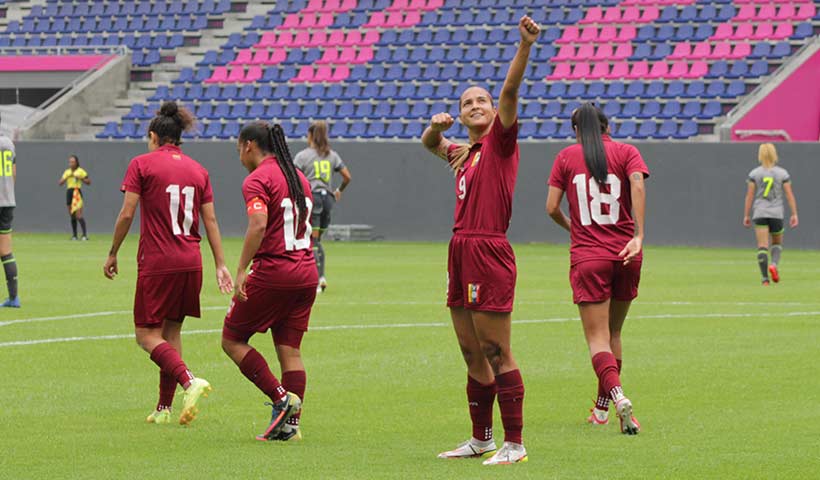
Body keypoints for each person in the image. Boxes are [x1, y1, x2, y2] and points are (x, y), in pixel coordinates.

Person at [420, 15, 540, 466]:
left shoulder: (500, 144)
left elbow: (510, 94)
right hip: (460, 250)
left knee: (496, 349)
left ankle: (515, 443)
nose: (475, 105)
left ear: (493, 111)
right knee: (471, 351)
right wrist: (436, 126)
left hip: (488, 248)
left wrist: (523, 47)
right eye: (467, 101)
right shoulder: (463, 152)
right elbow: (430, 143)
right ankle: (481, 438)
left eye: (482, 101)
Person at [103, 102, 233, 425]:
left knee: (145, 335)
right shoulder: (199, 170)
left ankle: (189, 381)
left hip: (158, 260)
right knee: (171, 332)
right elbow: (212, 220)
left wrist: (113, 251)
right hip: (192, 261)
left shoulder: (141, 164)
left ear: (153, 136)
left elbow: (127, 213)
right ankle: (164, 409)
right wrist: (220, 264)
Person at [545, 103, 648, 435]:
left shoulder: (565, 158)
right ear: (608, 126)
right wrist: (638, 235)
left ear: (576, 131)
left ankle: (617, 398)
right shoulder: (627, 151)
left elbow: (551, 208)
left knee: (597, 339)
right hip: (626, 254)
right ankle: (603, 410)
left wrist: (575, 228)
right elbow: (638, 185)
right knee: (614, 333)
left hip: (589, 256)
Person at [221, 122, 317, 442]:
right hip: (306, 272)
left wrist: (241, 268)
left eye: (238, 148)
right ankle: (290, 428)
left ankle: (281, 398)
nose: (238, 155)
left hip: (276, 271)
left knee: (232, 339)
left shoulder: (258, 178)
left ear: (249, 145)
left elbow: (258, 224)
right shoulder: (298, 177)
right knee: (290, 350)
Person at [293, 120, 351, 293]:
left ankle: (318, 278)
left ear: (310, 135)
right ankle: (319, 276)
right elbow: (347, 176)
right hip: (328, 200)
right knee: (317, 240)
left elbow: (292, 177)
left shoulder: (303, 156)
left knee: (313, 240)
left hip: (313, 199)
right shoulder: (331, 155)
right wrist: (339, 190)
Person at [743, 143, 798, 285]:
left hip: (760, 211)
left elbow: (749, 196)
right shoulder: (782, 173)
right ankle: (773, 264)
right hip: (776, 213)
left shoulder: (754, 173)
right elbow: (789, 194)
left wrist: (746, 215)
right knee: (777, 242)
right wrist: (794, 214)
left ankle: (764, 279)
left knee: (762, 246)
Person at [0, 113, 19, 308]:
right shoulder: (8, 143)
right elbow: (13, 173)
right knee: (6, 250)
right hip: (7, 201)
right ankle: (14, 297)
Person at [58, 154, 91, 240]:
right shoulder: (67, 172)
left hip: (77, 192)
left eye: (73, 162)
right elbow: (60, 182)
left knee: (78, 215)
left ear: (76, 162)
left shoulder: (80, 171)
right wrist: (67, 177)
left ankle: (84, 235)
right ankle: (74, 235)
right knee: (72, 215)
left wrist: (80, 178)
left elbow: (88, 181)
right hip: (69, 192)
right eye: (70, 162)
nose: (71, 163)